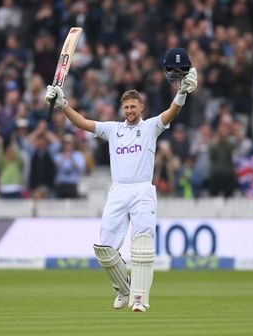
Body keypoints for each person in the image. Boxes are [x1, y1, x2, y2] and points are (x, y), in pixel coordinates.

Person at [45, 47, 198, 312]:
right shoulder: (113, 130)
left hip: (141, 192)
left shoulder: (150, 127)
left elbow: (172, 112)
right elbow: (82, 123)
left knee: (142, 245)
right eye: (125, 106)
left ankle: (140, 299)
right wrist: (63, 104)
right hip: (118, 192)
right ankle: (123, 289)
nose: (129, 110)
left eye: (133, 106)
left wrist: (182, 92)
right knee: (104, 249)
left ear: (141, 107)